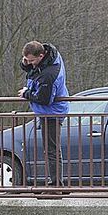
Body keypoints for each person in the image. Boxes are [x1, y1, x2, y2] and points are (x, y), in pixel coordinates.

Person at [18, 41, 70, 186]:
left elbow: (44, 99)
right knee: (51, 149)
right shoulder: (49, 57)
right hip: (48, 112)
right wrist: (26, 63)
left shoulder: (49, 75)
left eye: (31, 61)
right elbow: (31, 70)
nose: (30, 64)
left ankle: (56, 185)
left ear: (41, 56)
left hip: (52, 113)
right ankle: (55, 183)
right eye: (27, 60)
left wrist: (27, 93)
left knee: (52, 150)